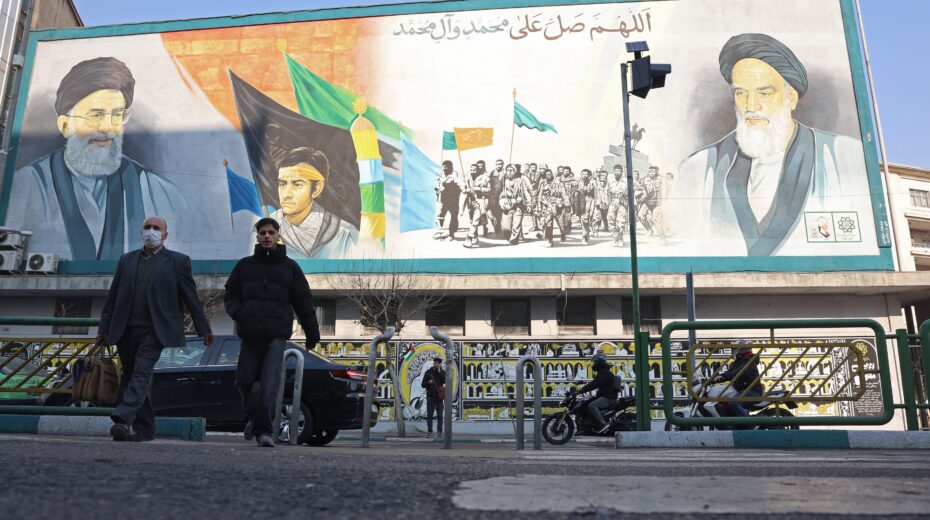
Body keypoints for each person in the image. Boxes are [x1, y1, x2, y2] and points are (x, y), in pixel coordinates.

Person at [676, 33, 874, 256]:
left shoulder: (846, 157)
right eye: (741, 93)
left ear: (792, 98)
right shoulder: (699, 168)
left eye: (764, 92)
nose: (751, 105)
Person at [8, 57, 183, 261]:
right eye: (96, 115)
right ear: (65, 125)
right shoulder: (26, 185)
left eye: (117, 115)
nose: (107, 127)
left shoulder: (159, 191)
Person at [97, 216, 213, 442]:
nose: (151, 231)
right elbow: (113, 298)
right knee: (132, 376)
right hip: (125, 329)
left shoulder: (178, 261)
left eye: (156, 228)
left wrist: (203, 328)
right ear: (141, 232)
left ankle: (122, 418)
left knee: (141, 372)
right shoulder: (127, 260)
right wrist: (104, 328)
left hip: (155, 331)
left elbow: (190, 297)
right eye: (147, 227)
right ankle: (146, 428)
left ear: (165, 235)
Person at [224, 217, 321, 447]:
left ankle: (264, 431)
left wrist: (312, 334)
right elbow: (230, 295)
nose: (267, 236)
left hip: (276, 336)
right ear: (257, 237)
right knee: (245, 382)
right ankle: (253, 415)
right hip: (250, 335)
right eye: (263, 233)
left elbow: (304, 302)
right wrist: (241, 313)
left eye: (271, 232)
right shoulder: (244, 266)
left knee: (269, 385)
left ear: (278, 236)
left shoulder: (290, 268)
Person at [270, 147, 357, 258]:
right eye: (282, 184)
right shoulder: (260, 231)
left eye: (297, 184)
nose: (286, 194)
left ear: (316, 189)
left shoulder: (343, 234)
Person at [713, 347, 764, 417]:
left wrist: (724, 376)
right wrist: (716, 378)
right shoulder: (739, 362)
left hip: (752, 391)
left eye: (734, 350)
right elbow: (730, 372)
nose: (732, 352)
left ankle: (749, 424)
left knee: (733, 402)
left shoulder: (749, 361)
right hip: (742, 391)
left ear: (742, 350)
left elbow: (738, 372)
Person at [577, 353, 620, 434]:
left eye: (595, 362)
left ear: (599, 363)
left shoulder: (604, 373)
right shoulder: (603, 372)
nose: (594, 364)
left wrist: (582, 390)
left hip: (608, 397)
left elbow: (594, 384)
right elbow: (596, 383)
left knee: (592, 405)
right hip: (606, 396)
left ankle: (603, 424)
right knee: (588, 403)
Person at [499, 164, 534, 244]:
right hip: (507, 205)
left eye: (512, 170)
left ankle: (514, 239)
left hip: (518, 205)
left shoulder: (520, 180)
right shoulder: (503, 180)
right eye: (508, 170)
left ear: (515, 171)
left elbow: (526, 192)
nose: (510, 172)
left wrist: (529, 204)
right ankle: (509, 236)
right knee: (505, 227)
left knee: (516, 224)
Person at [435, 160, 463, 241]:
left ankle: (451, 234)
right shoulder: (440, 177)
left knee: (453, 217)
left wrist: (449, 189)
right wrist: (437, 189)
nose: (445, 169)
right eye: (443, 167)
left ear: (451, 167)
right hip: (443, 200)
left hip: (453, 201)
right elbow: (437, 187)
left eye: (447, 167)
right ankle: (440, 232)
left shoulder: (455, 176)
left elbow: (461, 186)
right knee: (440, 216)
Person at [421, 357, 446, 437]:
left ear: (440, 364)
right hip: (430, 396)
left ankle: (439, 432)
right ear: (433, 363)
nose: (436, 364)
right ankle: (430, 431)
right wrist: (428, 382)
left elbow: (444, 381)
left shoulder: (442, 372)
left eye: (438, 363)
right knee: (429, 415)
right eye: (435, 363)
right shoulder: (428, 372)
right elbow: (423, 385)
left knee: (440, 415)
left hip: (439, 397)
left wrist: (439, 372)